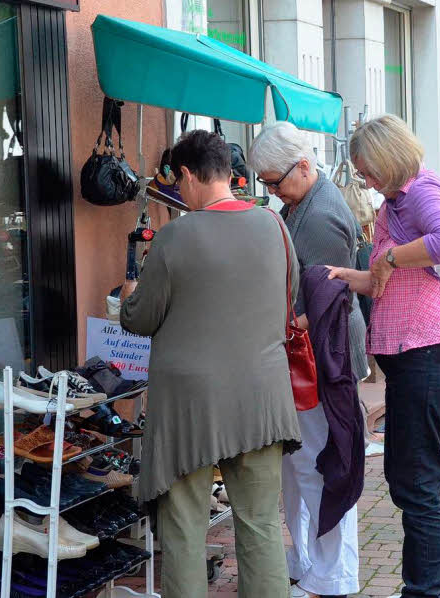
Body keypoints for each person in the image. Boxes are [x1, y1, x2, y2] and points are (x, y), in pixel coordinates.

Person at [120, 130, 301, 598]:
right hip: (261, 396)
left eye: (177, 183)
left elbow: (141, 319)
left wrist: (128, 299)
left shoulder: (176, 235)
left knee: (183, 528)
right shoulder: (275, 226)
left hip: (189, 405)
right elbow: (288, 299)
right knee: (260, 523)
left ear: (185, 174)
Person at [327, 115, 440, 598]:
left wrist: (388, 257)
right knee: (416, 483)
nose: (366, 182)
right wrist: (347, 275)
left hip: (432, 356)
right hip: (420, 361)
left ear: (389, 160)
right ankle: (438, 588)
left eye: (368, 171)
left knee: (414, 485)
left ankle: (426, 591)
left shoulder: (423, 193)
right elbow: (386, 283)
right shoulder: (398, 202)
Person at [248, 122, 366, 598]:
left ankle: (330, 575)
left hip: (320, 358)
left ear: (302, 166)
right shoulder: (306, 200)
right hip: (314, 355)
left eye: (274, 182)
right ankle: (308, 562)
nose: (271, 192)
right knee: (303, 467)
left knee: (320, 465)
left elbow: (309, 304)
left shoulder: (317, 217)